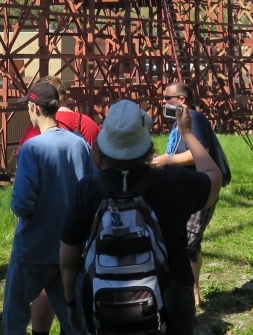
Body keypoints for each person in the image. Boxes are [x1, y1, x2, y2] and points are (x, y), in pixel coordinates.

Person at [60, 101, 222, 335]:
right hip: (170, 299)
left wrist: (71, 304)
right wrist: (187, 133)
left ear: (103, 146)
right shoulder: (173, 181)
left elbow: (67, 260)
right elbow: (214, 177)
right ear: (145, 143)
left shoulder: (87, 189)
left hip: (101, 304)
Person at [4, 83, 94, 335]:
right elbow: (91, 191)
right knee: (72, 318)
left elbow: (23, 203)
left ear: (34, 108)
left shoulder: (33, 148)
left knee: (15, 316)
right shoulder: (79, 144)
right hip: (70, 247)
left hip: (33, 248)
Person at [151, 82, 230, 307]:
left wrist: (167, 160)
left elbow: (198, 153)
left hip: (199, 187)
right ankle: (191, 289)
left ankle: (191, 291)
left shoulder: (193, 118)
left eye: (168, 98)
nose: (163, 102)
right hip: (184, 187)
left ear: (182, 100)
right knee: (185, 240)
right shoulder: (178, 124)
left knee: (190, 242)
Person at [17, 77, 99, 150]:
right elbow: (101, 163)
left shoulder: (40, 123)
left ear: (36, 108)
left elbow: (22, 160)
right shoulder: (89, 124)